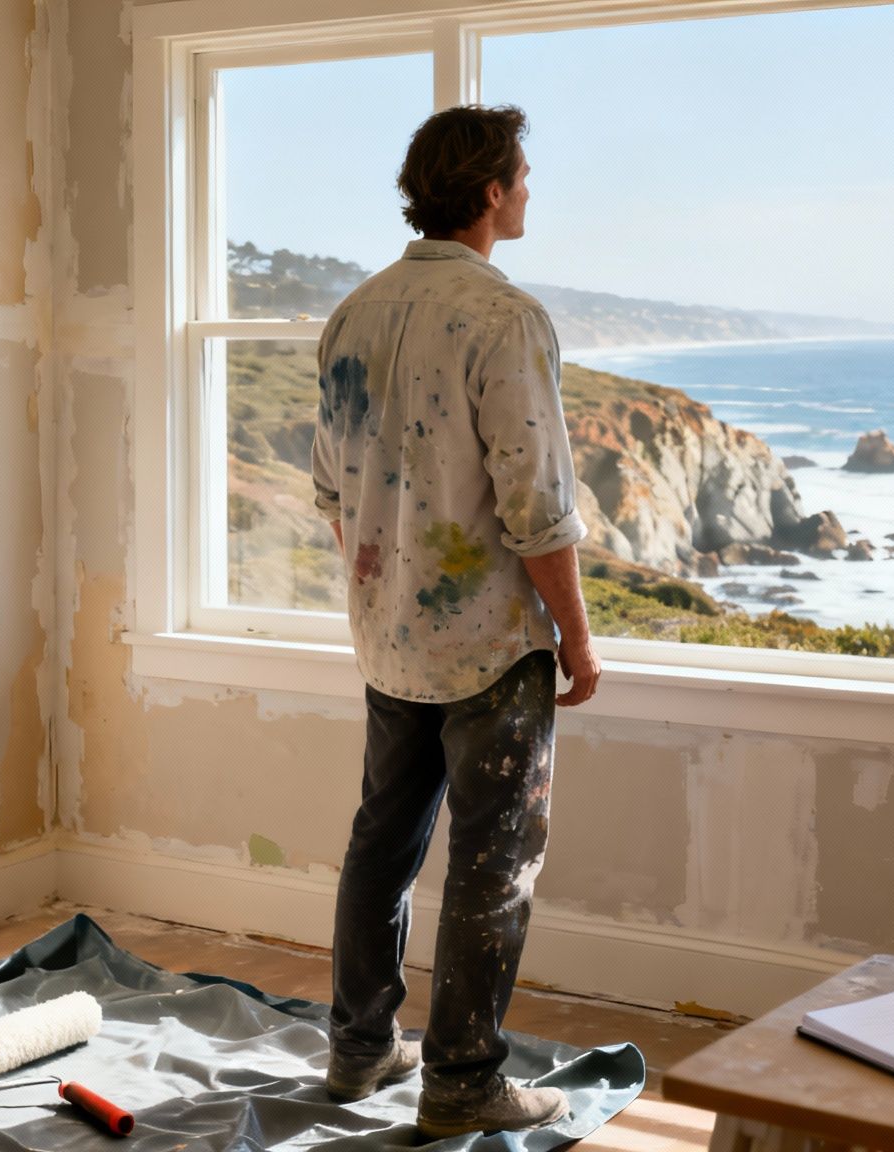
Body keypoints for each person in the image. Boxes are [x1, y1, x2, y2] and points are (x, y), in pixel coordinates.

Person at [311, 103, 601, 1140]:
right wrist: (573, 634)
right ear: (489, 191)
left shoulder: (352, 313)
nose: (528, 191)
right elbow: (535, 508)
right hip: (485, 647)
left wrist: (385, 581)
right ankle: (463, 1080)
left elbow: (329, 490)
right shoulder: (502, 317)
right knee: (493, 862)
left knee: (380, 843)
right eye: (521, 176)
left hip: (386, 634)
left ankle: (357, 1050)